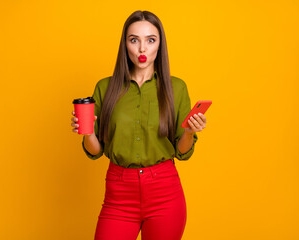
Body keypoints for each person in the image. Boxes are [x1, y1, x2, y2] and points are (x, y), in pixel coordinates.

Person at [71, 10, 207, 240]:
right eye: (134, 40)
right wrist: (86, 132)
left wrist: (189, 132)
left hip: (165, 193)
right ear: (125, 45)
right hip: (118, 194)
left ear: (159, 45)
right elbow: (96, 151)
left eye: (150, 40)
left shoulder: (177, 88)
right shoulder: (105, 88)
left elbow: (182, 152)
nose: (142, 49)